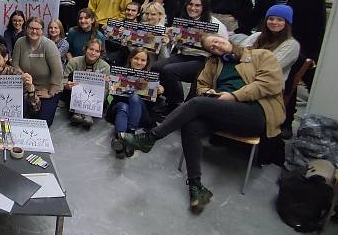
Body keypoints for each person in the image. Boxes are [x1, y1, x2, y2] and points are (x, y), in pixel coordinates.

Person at [119, 35, 285, 214]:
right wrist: (210, 92)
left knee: (197, 103)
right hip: (223, 110)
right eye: (211, 46)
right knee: (191, 124)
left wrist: (234, 96)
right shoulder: (212, 63)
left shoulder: (261, 55)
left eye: (217, 41)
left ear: (227, 39)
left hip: (256, 113)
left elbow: (270, 84)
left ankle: (150, 137)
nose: (216, 46)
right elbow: (202, 86)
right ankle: (197, 188)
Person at [152, 0, 228, 112]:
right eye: (190, 4)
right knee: (157, 67)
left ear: (204, 7)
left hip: (204, 59)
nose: (193, 8)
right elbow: (178, 46)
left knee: (170, 70)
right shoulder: (182, 21)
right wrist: (171, 38)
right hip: (184, 54)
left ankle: (175, 103)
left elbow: (225, 47)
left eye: (197, 5)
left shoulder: (216, 25)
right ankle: (169, 98)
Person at [238, 5, 300, 137]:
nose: (274, 22)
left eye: (279, 20)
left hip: (267, 87)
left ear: (287, 23)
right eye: (271, 19)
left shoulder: (291, 45)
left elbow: (268, 67)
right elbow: (238, 53)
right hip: (243, 77)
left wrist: (247, 57)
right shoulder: (257, 36)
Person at [107, 49, 161, 158]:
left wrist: (159, 90)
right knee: (123, 106)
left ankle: (129, 136)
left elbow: (152, 103)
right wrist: (110, 85)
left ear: (147, 62)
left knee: (134, 98)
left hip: (140, 114)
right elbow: (112, 98)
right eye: (136, 58)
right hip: (119, 108)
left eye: (143, 60)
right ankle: (123, 141)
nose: (139, 62)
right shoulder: (120, 73)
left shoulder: (151, 77)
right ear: (130, 59)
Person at [13, 17, 64, 125]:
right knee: (17, 117)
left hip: (46, 89)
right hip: (26, 87)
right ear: (26, 28)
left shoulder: (49, 45)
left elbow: (58, 72)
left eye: (37, 29)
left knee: (43, 122)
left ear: (42, 30)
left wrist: (51, 93)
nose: (34, 31)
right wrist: (23, 76)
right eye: (31, 28)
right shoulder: (20, 42)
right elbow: (15, 65)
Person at [63, 39, 111, 127]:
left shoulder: (105, 66)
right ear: (85, 49)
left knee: (103, 86)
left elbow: (107, 89)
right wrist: (67, 85)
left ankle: (89, 114)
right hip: (74, 95)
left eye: (97, 51)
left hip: (94, 98)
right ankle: (77, 112)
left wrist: (103, 83)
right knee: (72, 75)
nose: (93, 53)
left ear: (100, 53)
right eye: (91, 49)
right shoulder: (74, 62)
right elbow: (63, 80)